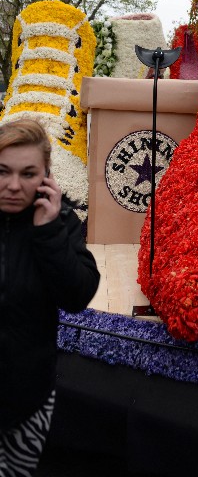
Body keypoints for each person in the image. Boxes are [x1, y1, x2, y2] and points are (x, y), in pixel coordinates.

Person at [0, 117, 100, 476]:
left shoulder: (62, 223)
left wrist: (49, 232)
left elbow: (77, 295)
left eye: (27, 174)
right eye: (2, 171)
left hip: (29, 399)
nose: (13, 186)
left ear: (46, 176)